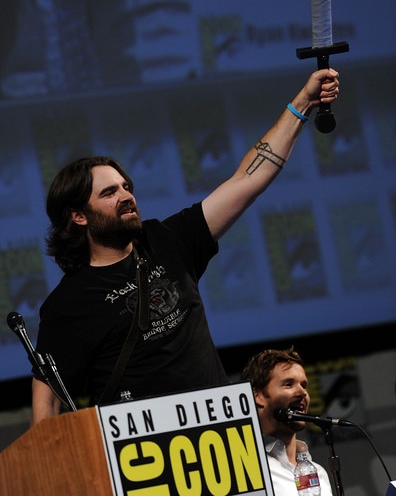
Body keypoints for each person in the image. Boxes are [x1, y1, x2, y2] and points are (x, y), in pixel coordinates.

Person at [31, 68, 340, 426]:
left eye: (126, 186)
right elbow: (47, 406)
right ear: (79, 216)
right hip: (143, 456)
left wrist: (303, 101)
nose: (126, 196)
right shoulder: (67, 305)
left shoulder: (167, 240)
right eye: (109, 192)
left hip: (222, 436)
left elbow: (248, 178)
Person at [241, 347, 334, 495]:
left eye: (304, 385)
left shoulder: (319, 473)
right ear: (257, 395)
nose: (302, 392)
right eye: (288, 384)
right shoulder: (246, 472)